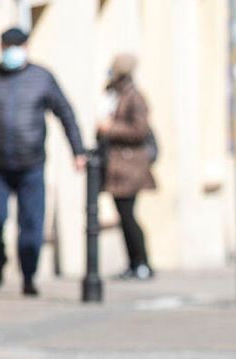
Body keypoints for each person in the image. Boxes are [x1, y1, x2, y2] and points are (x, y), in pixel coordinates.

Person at [0, 27, 86, 297]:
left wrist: (78, 151)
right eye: (6, 47)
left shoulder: (41, 78)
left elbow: (65, 113)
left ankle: (28, 277)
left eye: (16, 46)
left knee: (31, 225)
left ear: (26, 48)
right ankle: (0, 258)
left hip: (32, 165)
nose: (11, 52)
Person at [98, 53, 157, 281]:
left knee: (128, 215)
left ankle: (141, 262)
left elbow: (139, 130)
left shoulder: (134, 97)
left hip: (130, 167)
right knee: (124, 216)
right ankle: (134, 263)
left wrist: (110, 128)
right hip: (116, 167)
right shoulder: (115, 95)